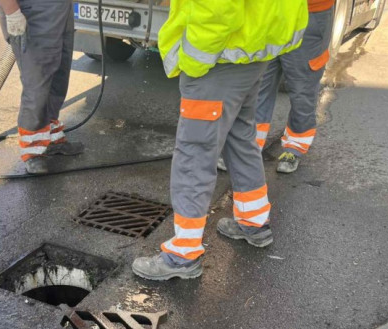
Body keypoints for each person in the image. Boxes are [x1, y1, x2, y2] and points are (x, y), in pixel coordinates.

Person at [132, 0, 308, 281]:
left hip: (219, 58)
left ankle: (183, 255)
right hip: (253, 49)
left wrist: (191, 62)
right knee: (241, 137)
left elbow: (215, 9)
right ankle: (254, 222)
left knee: (195, 152)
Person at [219, 0, 334, 174]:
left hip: (308, 13)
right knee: (257, 87)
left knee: (302, 89)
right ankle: (246, 150)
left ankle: (294, 148)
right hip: (266, 12)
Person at [0, 0, 83, 174]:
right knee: (37, 84)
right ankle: (33, 150)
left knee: (58, 80)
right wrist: (12, 12)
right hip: (34, 14)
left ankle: (50, 138)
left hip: (60, 12)